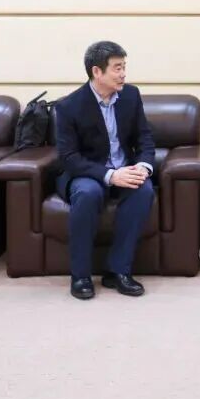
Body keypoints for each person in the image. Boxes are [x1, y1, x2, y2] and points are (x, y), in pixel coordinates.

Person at [55, 41, 155, 300]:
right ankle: (80, 276)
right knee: (87, 194)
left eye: (124, 67)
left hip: (125, 167)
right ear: (97, 72)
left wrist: (143, 166)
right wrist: (110, 175)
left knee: (143, 190)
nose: (123, 74)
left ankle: (118, 271)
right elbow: (69, 158)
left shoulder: (131, 96)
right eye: (117, 68)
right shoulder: (69, 107)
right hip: (88, 174)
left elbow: (144, 138)